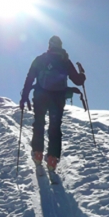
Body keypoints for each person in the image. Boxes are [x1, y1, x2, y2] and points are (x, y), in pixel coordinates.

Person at [20, 35, 86, 171]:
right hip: (58, 98)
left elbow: (30, 78)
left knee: (39, 123)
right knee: (55, 127)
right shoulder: (65, 61)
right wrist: (82, 74)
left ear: (49, 45)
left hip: (40, 97)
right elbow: (78, 81)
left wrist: (24, 96)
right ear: (60, 46)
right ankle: (52, 159)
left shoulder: (40, 59)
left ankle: (38, 154)